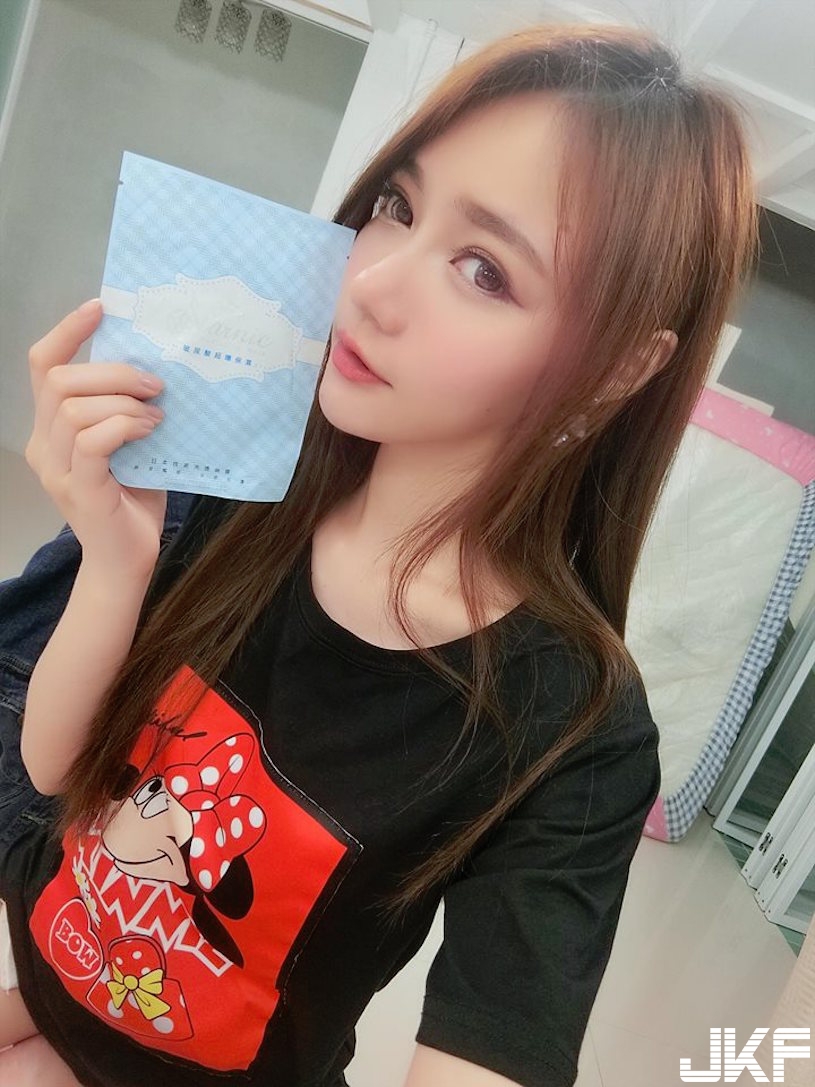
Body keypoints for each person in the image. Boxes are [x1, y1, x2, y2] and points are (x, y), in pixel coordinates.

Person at [0, 20, 757, 1087]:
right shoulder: (239, 487)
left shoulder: (571, 724)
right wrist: (113, 565)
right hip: (44, 998)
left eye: (483, 269)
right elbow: (53, 772)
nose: (371, 282)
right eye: (396, 205)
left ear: (613, 372)